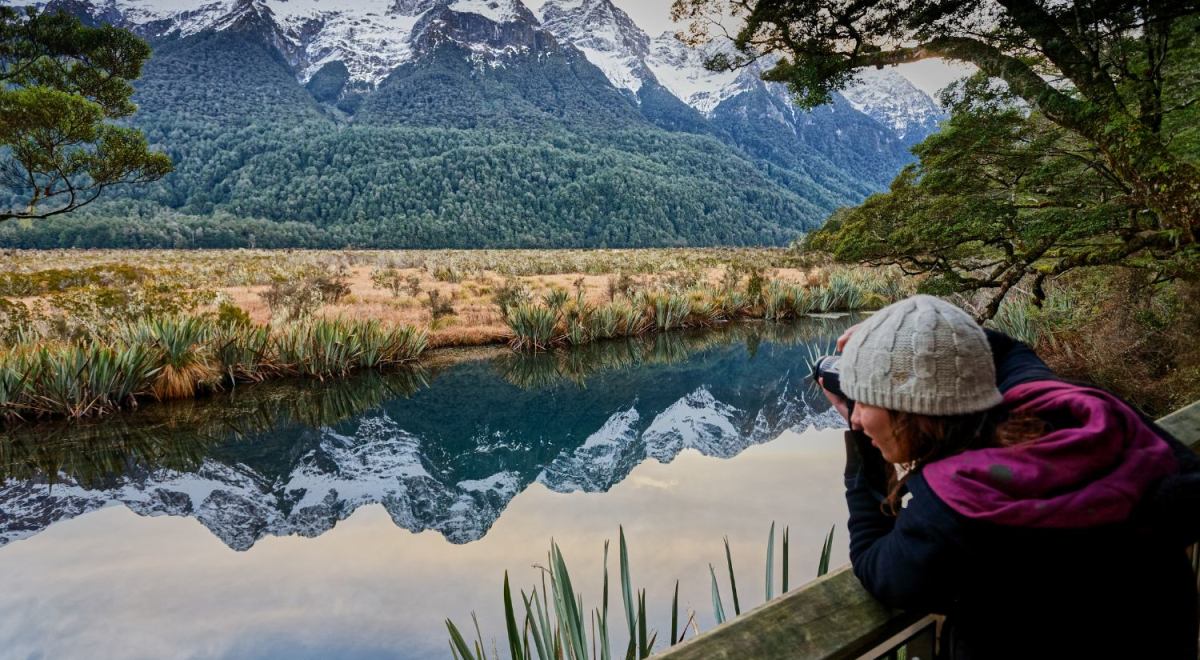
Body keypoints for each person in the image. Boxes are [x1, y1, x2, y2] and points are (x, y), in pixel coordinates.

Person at [819, 294, 1200, 660]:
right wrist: (907, 331)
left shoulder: (951, 515)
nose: (855, 417)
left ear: (909, 413)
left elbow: (874, 563)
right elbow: (1009, 353)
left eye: (864, 402)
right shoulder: (1083, 417)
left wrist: (864, 450)